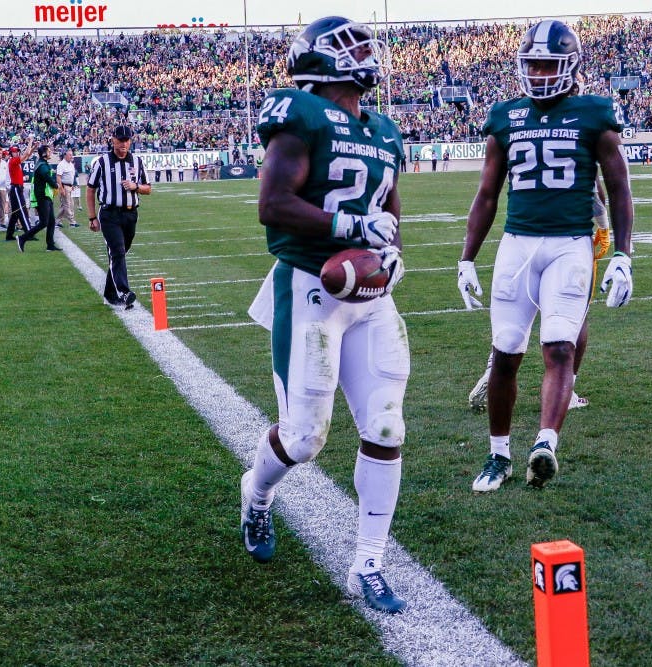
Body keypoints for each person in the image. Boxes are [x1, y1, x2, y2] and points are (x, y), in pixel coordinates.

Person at [241, 16, 408, 615]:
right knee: (304, 438)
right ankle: (256, 496)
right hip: (311, 287)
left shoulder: (384, 130)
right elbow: (272, 204)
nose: (367, 53)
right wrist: (347, 227)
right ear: (320, 58)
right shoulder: (300, 112)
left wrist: (390, 255)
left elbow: (388, 210)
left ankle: (369, 561)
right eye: (353, 45)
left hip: (369, 297)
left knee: (387, 427)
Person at [457, 20, 633, 493]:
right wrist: (467, 258)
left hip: (571, 244)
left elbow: (617, 187)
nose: (537, 73)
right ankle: (498, 456)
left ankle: (545, 445)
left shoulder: (595, 113)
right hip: (517, 245)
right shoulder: (504, 116)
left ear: (570, 65)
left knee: (559, 346)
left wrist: (622, 254)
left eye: (547, 64)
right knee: (505, 352)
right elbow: (487, 194)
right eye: (531, 64)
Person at [469, 177, 611, 413]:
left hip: (523, 236)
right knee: (575, 318)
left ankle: (493, 370)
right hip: (567, 238)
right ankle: (567, 389)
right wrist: (604, 226)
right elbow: (595, 191)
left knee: (514, 321)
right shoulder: (577, 140)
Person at [86, 125, 151, 309]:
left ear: (131, 141)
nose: (123, 143)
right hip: (109, 214)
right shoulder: (102, 162)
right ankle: (124, 292)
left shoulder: (137, 162)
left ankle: (109, 294)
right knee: (117, 252)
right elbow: (90, 190)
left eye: (127, 140)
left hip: (130, 214)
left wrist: (135, 187)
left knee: (119, 255)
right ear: (112, 140)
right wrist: (92, 217)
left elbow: (148, 188)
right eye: (120, 140)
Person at [15, 145, 61, 252]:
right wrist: (56, 185)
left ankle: (50, 245)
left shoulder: (42, 164)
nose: (50, 153)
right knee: (44, 222)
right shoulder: (42, 165)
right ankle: (22, 238)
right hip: (43, 197)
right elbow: (47, 177)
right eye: (49, 151)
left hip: (46, 197)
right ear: (44, 153)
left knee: (51, 222)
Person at [6, 139, 36, 239]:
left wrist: (34, 148)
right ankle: (29, 233)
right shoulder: (13, 161)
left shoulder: (16, 161)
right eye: (14, 151)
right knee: (22, 210)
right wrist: (30, 141)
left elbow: (27, 155)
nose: (16, 152)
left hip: (17, 188)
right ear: (11, 153)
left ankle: (9, 235)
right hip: (16, 188)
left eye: (17, 151)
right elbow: (26, 153)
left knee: (15, 213)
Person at [56, 147, 78, 228]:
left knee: (65, 205)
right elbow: (58, 177)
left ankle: (57, 221)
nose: (72, 156)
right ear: (65, 155)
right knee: (67, 205)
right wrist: (61, 188)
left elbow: (72, 176)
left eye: (72, 155)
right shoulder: (61, 164)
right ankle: (72, 221)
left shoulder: (71, 164)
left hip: (69, 186)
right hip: (64, 186)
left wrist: (72, 185)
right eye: (70, 155)